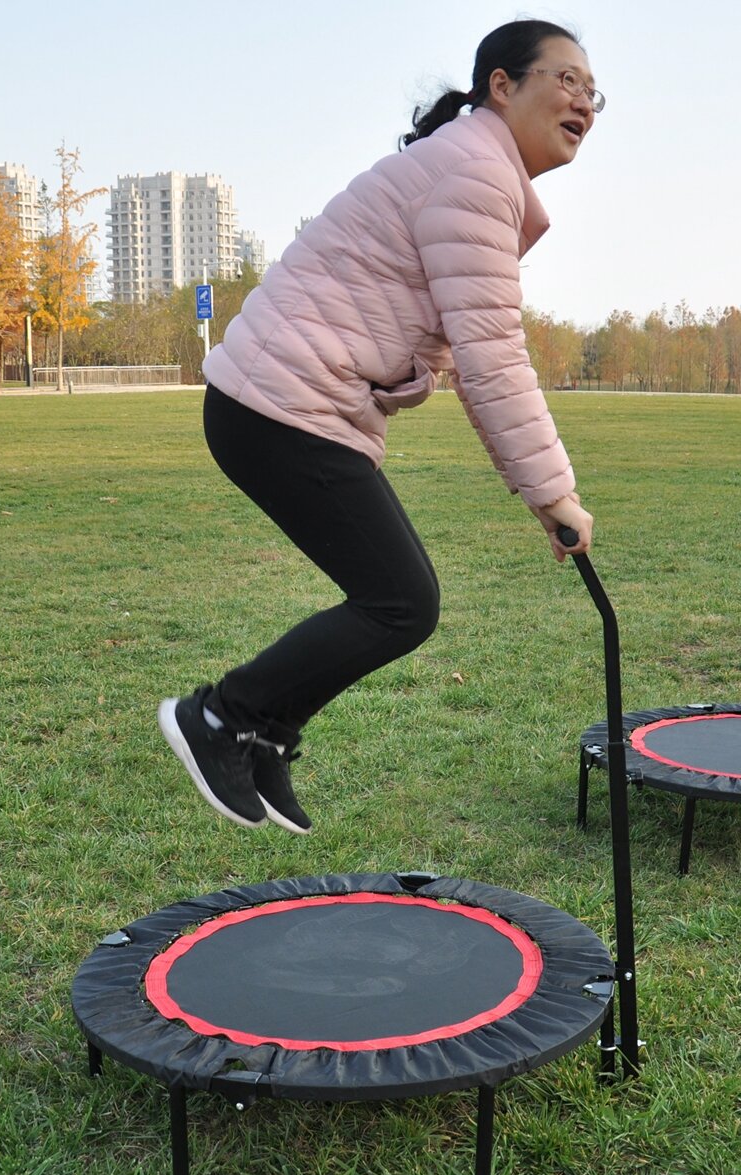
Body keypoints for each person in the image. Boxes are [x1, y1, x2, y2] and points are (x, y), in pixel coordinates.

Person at [158, 19, 603, 833]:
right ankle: (223, 717)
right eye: (565, 79)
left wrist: (531, 488)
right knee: (402, 599)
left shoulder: (472, 169)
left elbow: (454, 348)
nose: (585, 101)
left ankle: (260, 731)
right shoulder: (474, 171)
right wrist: (555, 492)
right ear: (500, 85)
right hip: (279, 405)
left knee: (398, 597)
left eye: (594, 91)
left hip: (288, 405)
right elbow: (493, 355)